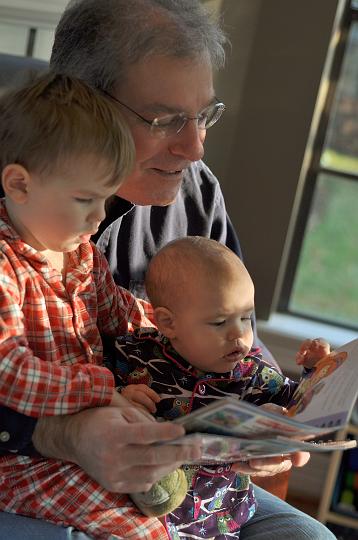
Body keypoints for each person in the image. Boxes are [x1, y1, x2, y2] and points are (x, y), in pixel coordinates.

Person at [0, 1, 336, 539]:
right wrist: (61, 433)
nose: (195, 145)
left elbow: (233, 328)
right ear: (84, 103)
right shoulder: (14, 220)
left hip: (183, 474)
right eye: (166, 120)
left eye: (204, 114)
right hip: (32, 463)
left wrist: (272, 418)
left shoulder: (195, 192)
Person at [0, 72, 199, 539]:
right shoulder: (5, 266)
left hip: (97, 427)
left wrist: (184, 329)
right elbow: (7, 370)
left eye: (105, 199)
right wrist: (96, 389)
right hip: (19, 457)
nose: (97, 217)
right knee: (138, 531)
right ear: (19, 185)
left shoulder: (80, 252)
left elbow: (123, 314)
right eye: (86, 199)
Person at [107, 236, 334, 538]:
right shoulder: (134, 354)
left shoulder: (253, 374)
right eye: (218, 323)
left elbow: (298, 405)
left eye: (245, 318)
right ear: (168, 323)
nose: (238, 335)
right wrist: (121, 396)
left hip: (218, 521)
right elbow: (96, 387)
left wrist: (315, 370)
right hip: (137, 514)